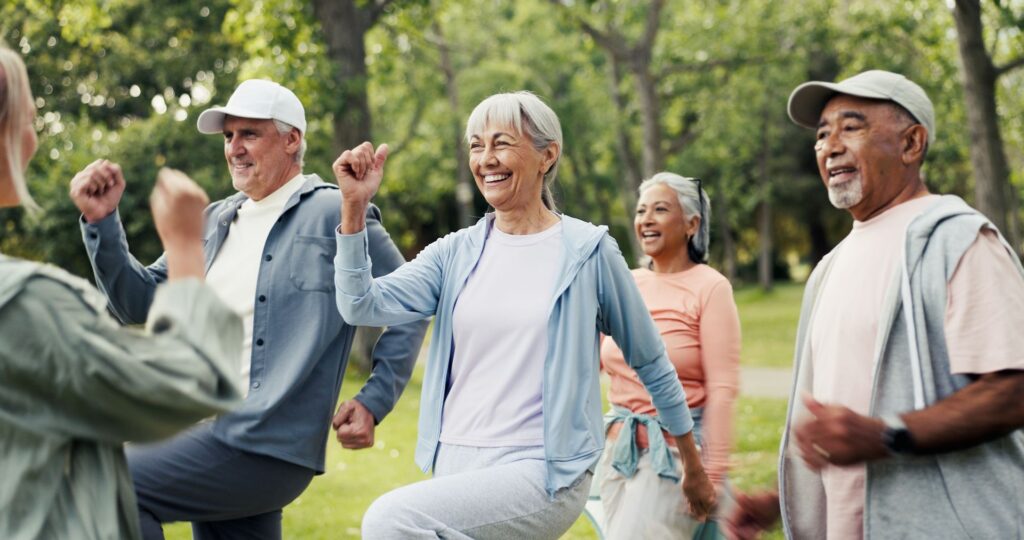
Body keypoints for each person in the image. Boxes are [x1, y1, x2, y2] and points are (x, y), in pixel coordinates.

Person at [332, 91, 716, 539]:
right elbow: (361, 304)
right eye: (476, 146)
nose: (486, 159)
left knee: (390, 520)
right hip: (457, 461)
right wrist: (354, 208)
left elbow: (651, 362)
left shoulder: (588, 252)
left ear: (546, 155)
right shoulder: (454, 252)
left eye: (501, 143)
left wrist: (692, 463)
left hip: (545, 468)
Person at [69, 79, 428, 539]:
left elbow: (410, 303)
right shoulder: (212, 220)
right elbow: (138, 302)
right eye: (227, 137)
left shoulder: (332, 212)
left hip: (263, 439)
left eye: (249, 134)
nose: (234, 148)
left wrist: (373, 399)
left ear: (292, 139)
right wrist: (102, 223)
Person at [729, 70, 1024, 539]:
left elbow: (1013, 390)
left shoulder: (958, 239)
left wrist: (886, 434)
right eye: (822, 134)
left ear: (911, 144)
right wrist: (780, 501)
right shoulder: (829, 268)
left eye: (852, 127)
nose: (830, 146)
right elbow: (843, 423)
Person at [0, 46, 245, 539]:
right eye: (29, 119)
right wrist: (184, 247)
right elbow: (185, 383)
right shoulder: (24, 303)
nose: (35, 136)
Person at [599, 172, 740, 539]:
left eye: (660, 209)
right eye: (641, 210)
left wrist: (711, 473)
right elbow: (588, 363)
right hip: (617, 453)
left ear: (692, 224)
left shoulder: (710, 287)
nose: (646, 218)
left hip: (678, 458)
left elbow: (723, 389)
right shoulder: (624, 283)